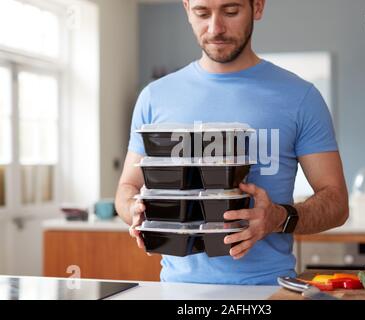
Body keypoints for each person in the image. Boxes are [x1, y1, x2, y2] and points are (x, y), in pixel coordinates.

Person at [115, 0, 349, 285]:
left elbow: (336, 203)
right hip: (178, 293)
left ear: (258, 7)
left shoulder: (301, 98)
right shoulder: (154, 98)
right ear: (187, 9)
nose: (216, 28)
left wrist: (278, 217)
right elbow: (127, 188)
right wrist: (135, 211)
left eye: (231, 11)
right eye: (202, 13)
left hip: (266, 292)